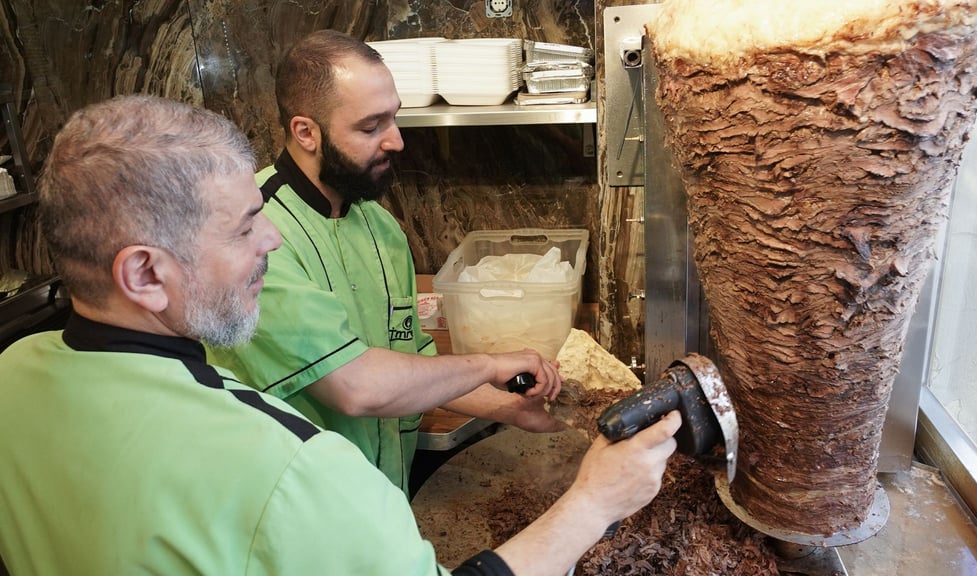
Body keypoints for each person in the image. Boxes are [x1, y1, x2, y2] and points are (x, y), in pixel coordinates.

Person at [0, 94, 682, 575]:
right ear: (145, 273)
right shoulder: (291, 469)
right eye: (242, 227)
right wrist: (594, 501)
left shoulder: (14, 373)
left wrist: (499, 402)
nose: (271, 236)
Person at [206, 29, 565, 496]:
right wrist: (489, 364)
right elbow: (355, 387)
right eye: (370, 127)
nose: (396, 141)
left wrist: (510, 408)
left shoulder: (381, 228)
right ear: (305, 132)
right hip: (296, 506)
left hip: (381, 497)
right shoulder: (253, 236)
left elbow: (412, 362)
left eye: (394, 119)